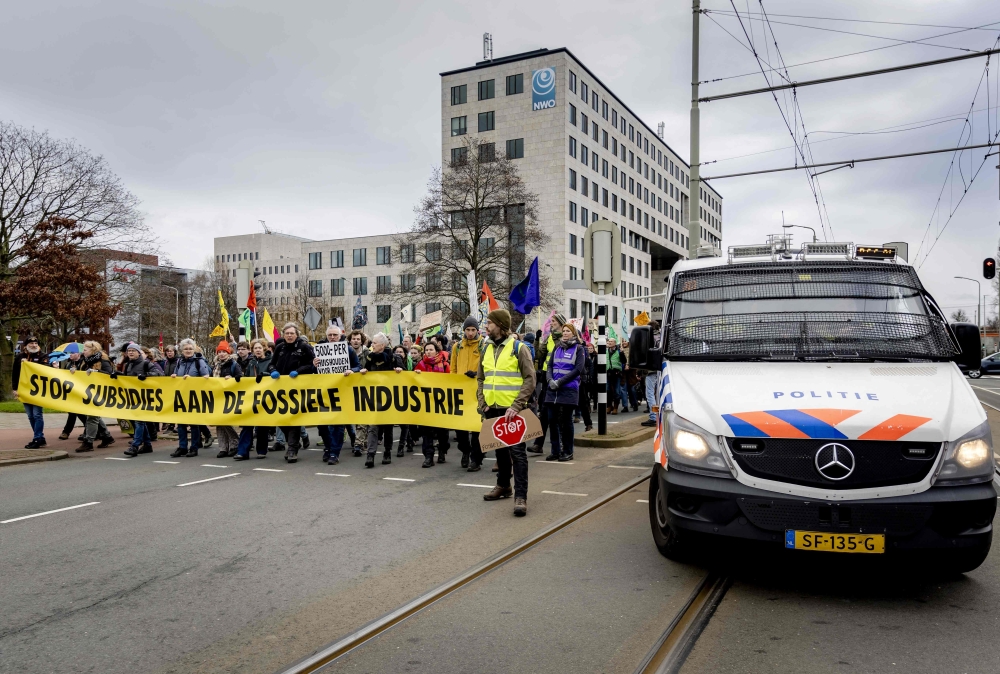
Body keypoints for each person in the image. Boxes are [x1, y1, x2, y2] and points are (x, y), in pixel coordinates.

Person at [479, 309, 536, 517]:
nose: (486, 326)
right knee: (499, 450)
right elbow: (481, 378)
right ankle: (503, 485)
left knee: (517, 454)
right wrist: (482, 402)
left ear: (500, 326)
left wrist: (516, 405)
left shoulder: (518, 348)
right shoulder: (485, 348)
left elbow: (530, 379)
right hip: (491, 408)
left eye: (489, 323)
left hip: (512, 410)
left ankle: (521, 496)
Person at [266, 323, 316, 463]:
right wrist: (273, 371)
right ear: (283, 334)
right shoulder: (280, 348)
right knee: (280, 419)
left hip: (297, 388)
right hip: (280, 389)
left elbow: (312, 364)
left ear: (296, 334)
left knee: (293, 418)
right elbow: (272, 363)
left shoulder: (304, 347)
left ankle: (292, 449)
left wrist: (299, 371)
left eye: (291, 333)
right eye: (287, 333)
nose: (289, 335)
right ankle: (294, 443)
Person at [310, 324, 360, 465]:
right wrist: (314, 364)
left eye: (335, 335)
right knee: (323, 424)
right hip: (324, 392)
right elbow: (312, 372)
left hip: (342, 392)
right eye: (330, 335)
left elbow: (358, 367)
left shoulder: (348, 350)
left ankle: (334, 453)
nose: (332, 337)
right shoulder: (319, 350)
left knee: (337, 424)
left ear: (340, 336)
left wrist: (352, 371)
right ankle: (328, 447)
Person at [357, 332, 404, 468]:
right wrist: (363, 372)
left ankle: (387, 452)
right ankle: (370, 455)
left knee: (388, 427)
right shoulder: (370, 357)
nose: (372, 345)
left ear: (382, 345)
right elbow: (365, 371)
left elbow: (406, 376)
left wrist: (400, 371)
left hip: (389, 399)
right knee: (373, 427)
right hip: (374, 398)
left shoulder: (394, 358)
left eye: (375, 343)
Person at [545, 324, 585, 462]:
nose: (565, 333)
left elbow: (578, 369)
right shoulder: (557, 347)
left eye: (568, 331)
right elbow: (549, 365)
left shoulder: (579, 349)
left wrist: (560, 382)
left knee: (566, 421)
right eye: (564, 331)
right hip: (553, 389)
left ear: (573, 333)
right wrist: (549, 379)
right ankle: (555, 451)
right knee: (552, 419)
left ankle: (568, 451)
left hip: (568, 389)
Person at [452, 316, 485, 471]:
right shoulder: (457, 346)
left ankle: (476, 459)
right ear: (464, 330)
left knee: (477, 427)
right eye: (468, 330)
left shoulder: (484, 345)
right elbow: (452, 369)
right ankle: (465, 451)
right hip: (461, 392)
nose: (470, 333)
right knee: (461, 428)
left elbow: (487, 367)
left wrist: (477, 374)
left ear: (477, 330)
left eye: (473, 330)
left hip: (478, 392)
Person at [530, 313, 565, 455]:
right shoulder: (549, 337)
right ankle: (538, 444)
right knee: (544, 413)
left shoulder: (565, 337)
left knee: (559, 415)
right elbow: (539, 355)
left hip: (559, 378)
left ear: (561, 324)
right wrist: (538, 339)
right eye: (551, 321)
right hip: (546, 377)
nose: (551, 323)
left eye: (554, 321)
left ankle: (562, 445)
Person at [170, 338, 211, 457]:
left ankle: (194, 447)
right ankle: (182, 447)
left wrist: (192, 380)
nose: (188, 351)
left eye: (190, 349)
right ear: (182, 350)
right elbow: (177, 374)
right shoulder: (179, 362)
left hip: (195, 396)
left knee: (194, 424)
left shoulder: (199, 361)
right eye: (186, 349)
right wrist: (174, 376)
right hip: (181, 396)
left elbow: (207, 377)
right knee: (181, 423)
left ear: (194, 349)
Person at [122, 342, 164, 457]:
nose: (130, 352)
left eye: (133, 351)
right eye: (129, 351)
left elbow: (159, 374)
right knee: (140, 420)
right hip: (133, 397)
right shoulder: (128, 365)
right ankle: (147, 445)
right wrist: (117, 375)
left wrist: (146, 375)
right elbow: (125, 378)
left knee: (139, 421)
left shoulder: (146, 364)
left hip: (145, 397)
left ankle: (134, 446)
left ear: (138, 353)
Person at [234, 338, 272, 461]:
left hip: (265, 398)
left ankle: (261, 450)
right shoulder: (252, 363)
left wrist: (265, 375)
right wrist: (240, 378)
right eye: (255, 348)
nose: (257, 350)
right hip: (251, 397)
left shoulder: (270, 361)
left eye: (260, 348)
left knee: (261, 426)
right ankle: (242, 451)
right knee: (247, 425)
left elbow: (275, 374)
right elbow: (248, 377)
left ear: (264, 349)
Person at [414, 341, 450, 467]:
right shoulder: (421, 364)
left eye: (431, 349)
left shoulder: (445, 365)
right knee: (427, 431)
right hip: (426, 403)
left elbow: (451, 381)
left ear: (437, 351)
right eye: (426, 350)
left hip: (441, 403)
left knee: (442, 430)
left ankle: (442, 451)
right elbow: (414, 382)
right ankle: (428, 456)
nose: (428, 352)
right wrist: (416, 375)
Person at [75, 341, 116, 452]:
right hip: (89, 392)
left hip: (100, 392)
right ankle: (107, 436)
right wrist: (73, 372)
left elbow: (110, 374)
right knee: (94, 416)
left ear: (92, 350)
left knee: (92, 417)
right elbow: (81, 373)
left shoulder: (103, 359)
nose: (83, 352)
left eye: (85, 350)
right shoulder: (85, 360)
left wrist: (96, 371)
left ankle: (88, 442)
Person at [12, 336, 48, 448]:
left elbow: (45, 370)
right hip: (24, 390)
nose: (34, 345)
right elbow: (15, 373)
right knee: (30, 415)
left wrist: (29, 364)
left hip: (38, 390)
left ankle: (37, 438)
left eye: (35, 343)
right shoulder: (19, 357)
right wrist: (15, 388)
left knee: (37, 414)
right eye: (31, 343)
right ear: (26, 345)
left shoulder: (43, 356)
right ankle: (40, 437)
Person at [213, 341, 244, 458]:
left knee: (225, 421)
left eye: (223, 352)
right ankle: (223, 447)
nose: (221, 354)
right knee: (219, 423)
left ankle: (234, 442)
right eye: (219, 352)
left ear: (228, 353)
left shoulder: (233, 364)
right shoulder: (216, 365)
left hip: (229, 397)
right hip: (217, 396)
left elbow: (240, 377)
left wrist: (232, 378)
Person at [57, 347, 84, 440]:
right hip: (71, 392)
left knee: (74, 412)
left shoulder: (83, 363)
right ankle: (92, 430)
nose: (70, 354)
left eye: (72, 353)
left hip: (81, 392)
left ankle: (66, 432)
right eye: (69, 353)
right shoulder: (68, 364)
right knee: (78, 413)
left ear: (79, 354)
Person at [606, 336, 627, 415]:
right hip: (608, 373)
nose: (609, 343)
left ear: (615, 343)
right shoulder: (606, 351)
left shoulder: (619, 351)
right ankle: (609, 406)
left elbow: (624, 361)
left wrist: (622, 353)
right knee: (607, 390)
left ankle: (615, 407)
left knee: (617, 392)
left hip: (616, 374)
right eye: (609, 341)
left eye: (611, 341)